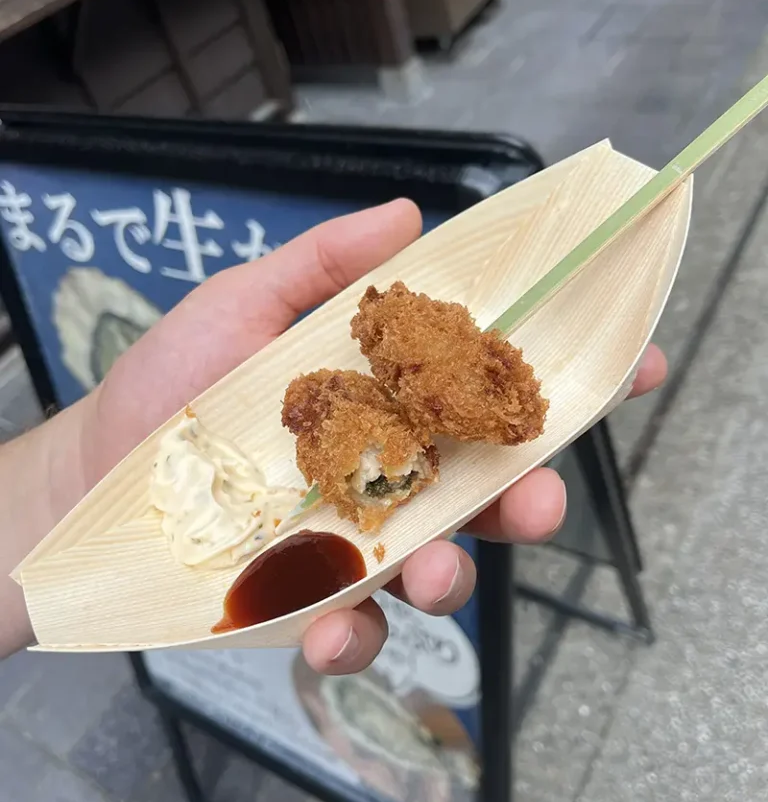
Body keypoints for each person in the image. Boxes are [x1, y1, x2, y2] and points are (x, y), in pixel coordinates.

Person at [0, 200, 666, 670]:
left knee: (458, 535)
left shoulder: (425, 361)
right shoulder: (338, 396)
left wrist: (64, 474)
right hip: (337, 440)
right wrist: (73, 480)